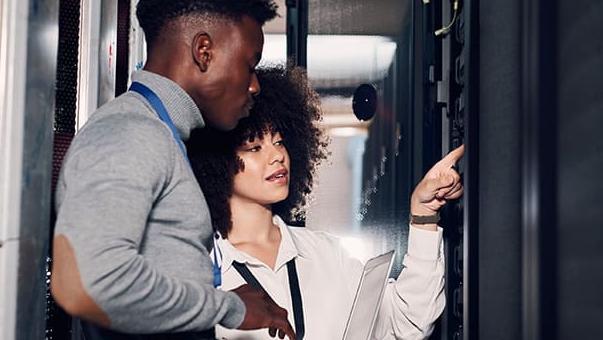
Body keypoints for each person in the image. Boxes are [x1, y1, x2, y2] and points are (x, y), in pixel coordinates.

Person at [51, 0, 297, 340]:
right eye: (249, 66)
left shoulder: (160, 135)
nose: (254, 87)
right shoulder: (132, 132)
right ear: (204, 52)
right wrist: (228, 308)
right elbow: (84, 283)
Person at [187, 65, 464, 339]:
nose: (276, 156)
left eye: (280, 142)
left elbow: (407, 324)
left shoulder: (326, 254)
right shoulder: (198, 273)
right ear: (216, 163)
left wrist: (424, 214)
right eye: (255, 147)